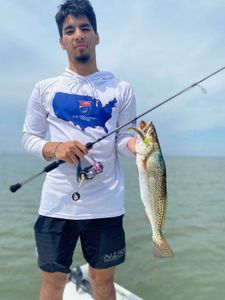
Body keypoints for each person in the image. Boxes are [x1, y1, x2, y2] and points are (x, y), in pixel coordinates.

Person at [22, 0, 137, 299]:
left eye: (85, 27)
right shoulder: (44, 88)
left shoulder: (121, 89)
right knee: (53, 282)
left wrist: (136, 146)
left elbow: (122, 141)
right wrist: (56, 147)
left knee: (102, 282)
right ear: (62, 41)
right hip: (57, 204)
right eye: (69, 30)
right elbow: (30, 137)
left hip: (106, 205)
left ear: (96, 36)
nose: (78, 34)